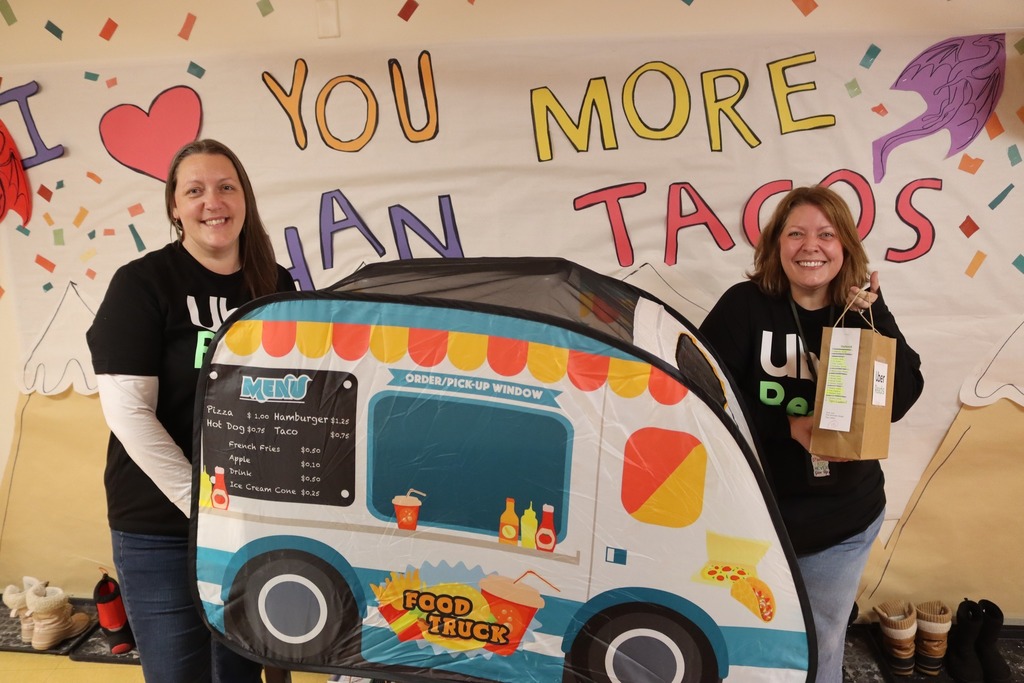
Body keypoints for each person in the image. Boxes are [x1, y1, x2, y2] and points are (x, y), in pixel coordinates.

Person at [87, 139, 295, 683]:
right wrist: (201, 508)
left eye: (226, 187)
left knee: (240, 672)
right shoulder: (142, 284)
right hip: (161, 524)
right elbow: (130, 414)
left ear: (244, 198)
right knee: (180, 673)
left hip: (249, 521)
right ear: (174, 208)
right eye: (195, 190)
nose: (213, 201)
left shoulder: (277, 285)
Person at [698, 185, 923, 683]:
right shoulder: (745, 306)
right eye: (795, 233)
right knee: (744, 633)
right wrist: (788, 427)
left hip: (840, 521)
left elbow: (901, 399)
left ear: (845, 247)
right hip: (753, 515)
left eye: (826, 234)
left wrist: (872, 314)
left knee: (819, 641)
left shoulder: (861, 309)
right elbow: (701, 394)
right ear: (777, 244)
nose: (810, 246)